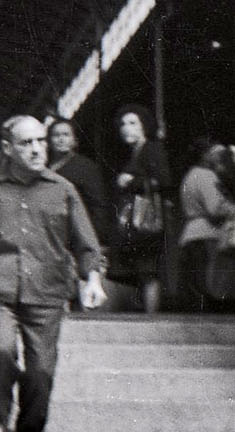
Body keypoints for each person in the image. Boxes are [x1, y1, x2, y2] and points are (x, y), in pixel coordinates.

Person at [0, 115, 106, 432]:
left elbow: (85, 242)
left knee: (41, 371)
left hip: (47, 292)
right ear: (8, 148)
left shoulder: (63, 189)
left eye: (41, 141)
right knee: (1, 352)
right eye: (27, 143)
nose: (37, 149)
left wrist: (92, 279)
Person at [111, 104, 172, 313]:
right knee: (144, 270)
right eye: (123, 124)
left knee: (148, 269)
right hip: (138, 220)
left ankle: (150, 317)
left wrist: (130, 181)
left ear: (144, 126)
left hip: (146, 219)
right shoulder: (135, 152)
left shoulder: (151, 149)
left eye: (132, 123)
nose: (126, 128)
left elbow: (163, 180)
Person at [178, 137, 235, 309]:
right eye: (213, 153)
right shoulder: (206, 175)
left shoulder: (190, 175)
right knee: (212, 285)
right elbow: (215, 208)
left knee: (198, 286)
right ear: (204, 155)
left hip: (191, 234)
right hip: (207, 234)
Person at [48, 118, 111, 246]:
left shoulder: (86, 167)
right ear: (49, 141)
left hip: (76, 234)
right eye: (56, 135)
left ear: (74, 140)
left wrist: (96, 239)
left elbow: (98, 205)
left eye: (66, 135)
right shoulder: (44, 166)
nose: (61, 139)